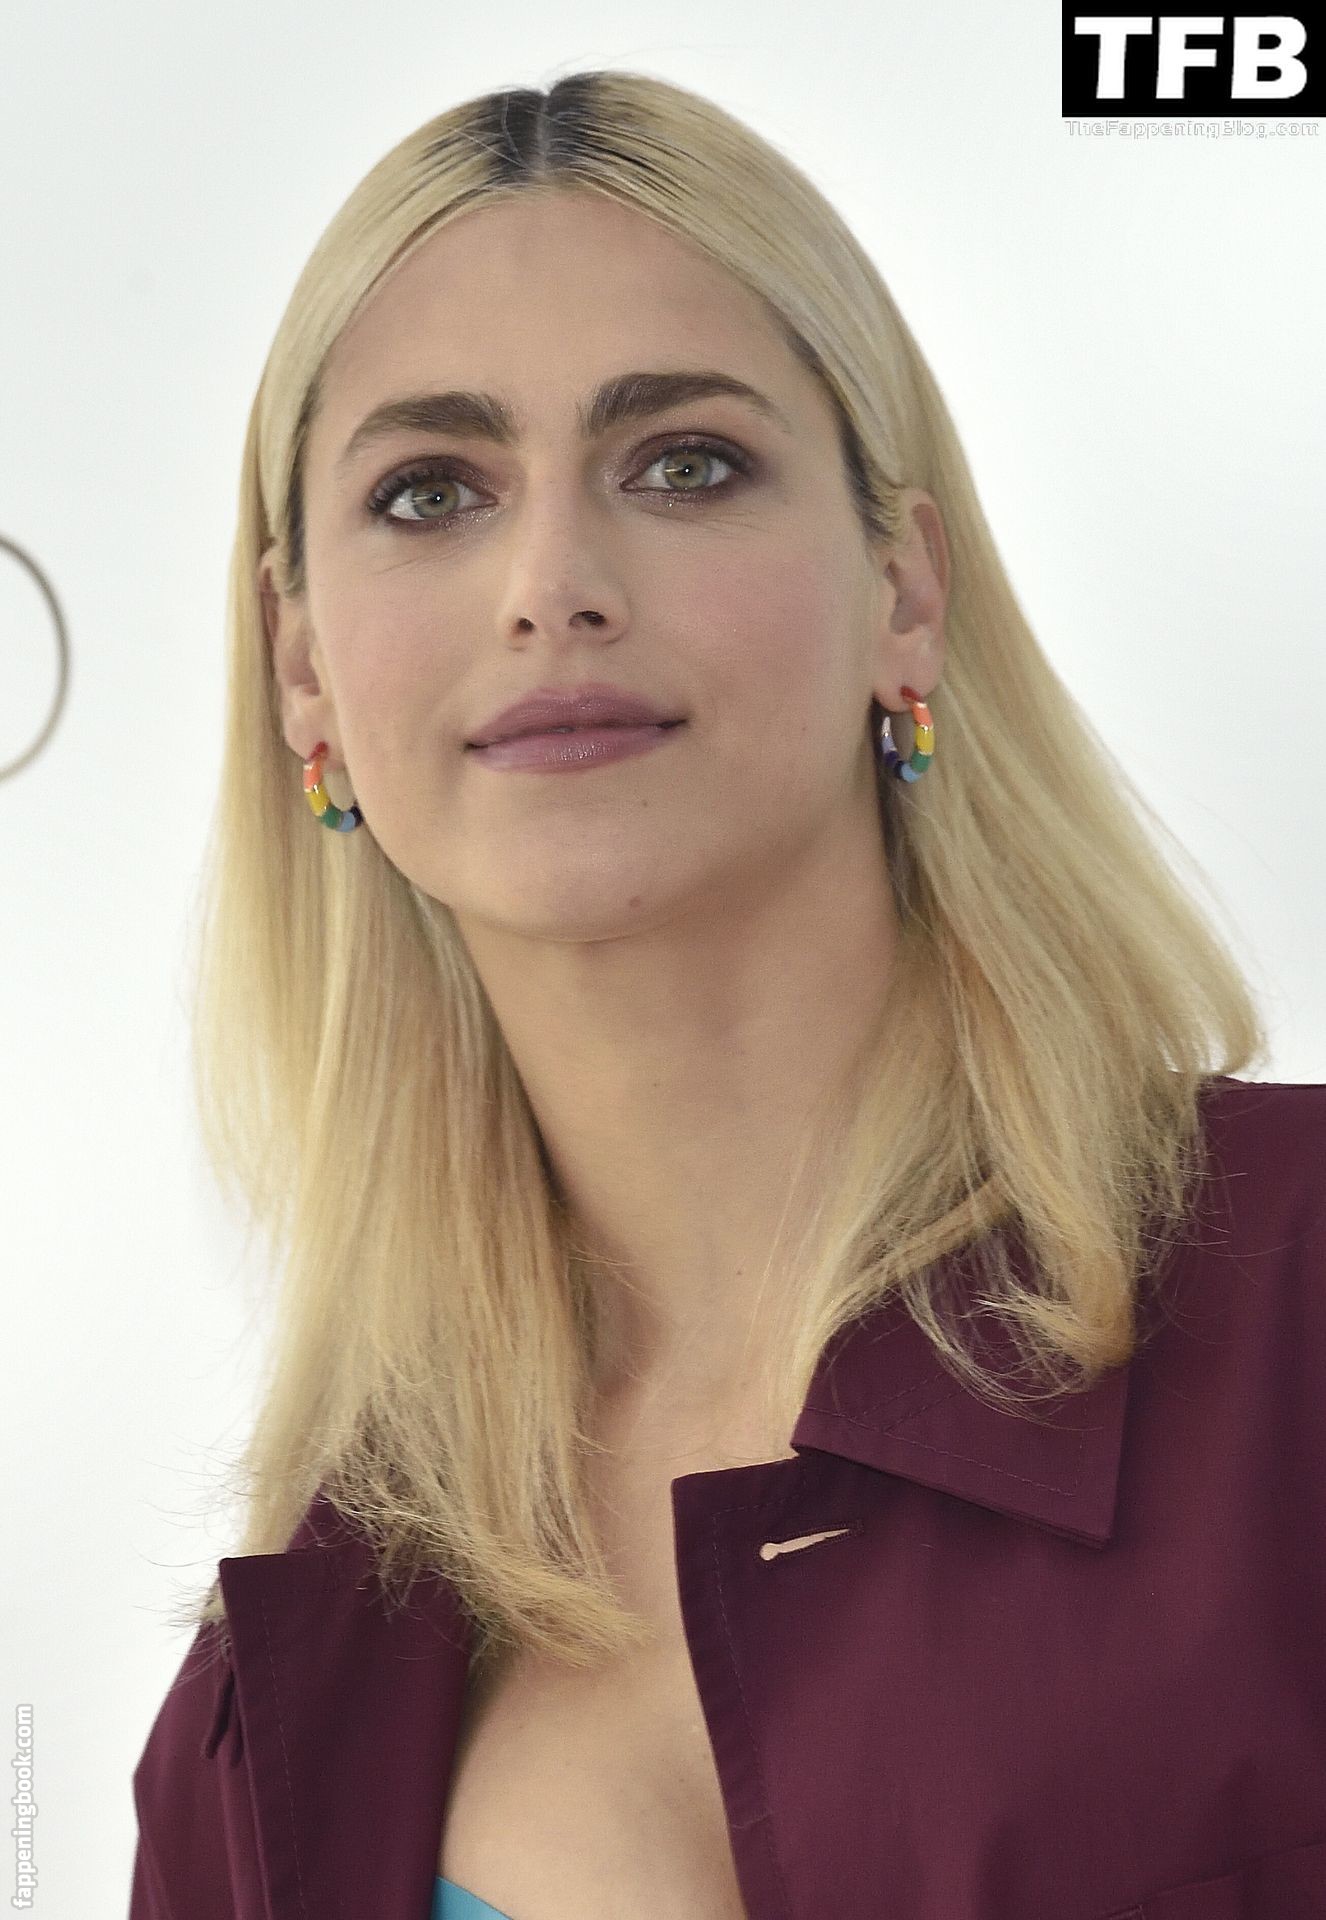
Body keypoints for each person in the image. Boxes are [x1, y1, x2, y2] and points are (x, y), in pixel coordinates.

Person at [128, 70, 1326, 1920]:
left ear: (901, 587)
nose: (552, 585)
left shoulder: (1297, 1309)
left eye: (682, 462)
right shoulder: (262, 1729)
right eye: (430, 492)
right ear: (304, 672)